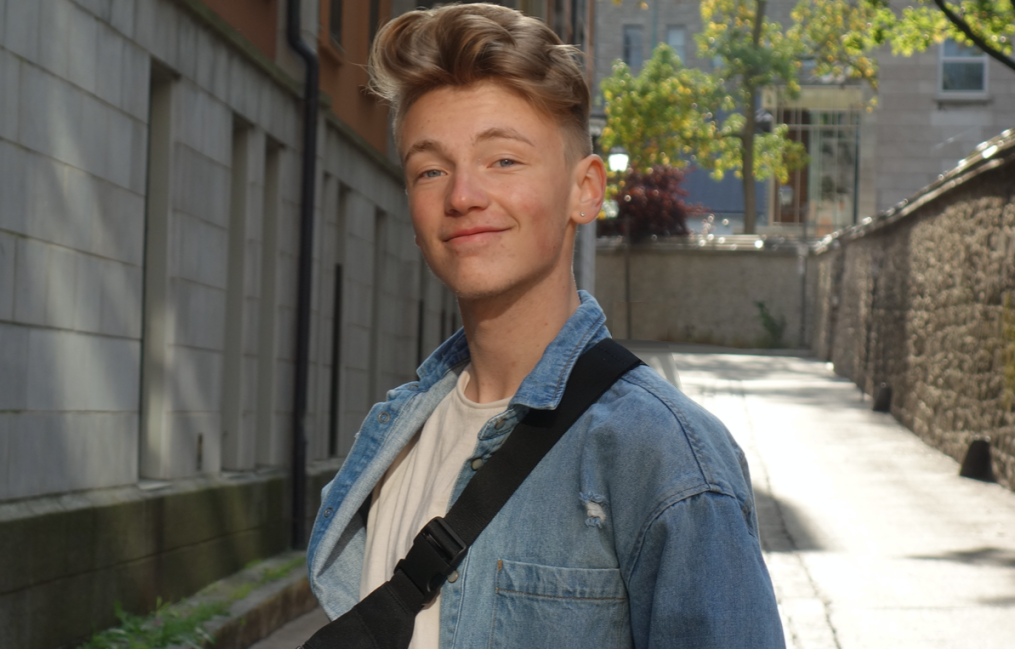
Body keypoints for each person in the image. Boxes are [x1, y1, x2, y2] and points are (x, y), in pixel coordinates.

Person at [307, 4, 786, 647]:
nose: (462, 195)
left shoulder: (664, 456)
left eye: (503, 160)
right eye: (431, 170)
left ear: (585, 190)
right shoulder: (393, 437)